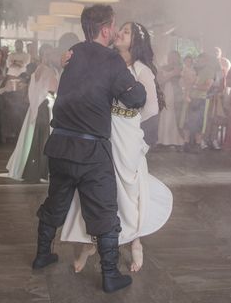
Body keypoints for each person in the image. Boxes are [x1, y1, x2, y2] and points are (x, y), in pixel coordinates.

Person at [32, 4, 146, 294]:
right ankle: (110, 275)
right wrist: (138, 82)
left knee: (55, 205)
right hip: (91, 151)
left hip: (59, 146)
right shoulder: (112, 60)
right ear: (106, 29)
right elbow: (135, 100)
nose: (116, 32)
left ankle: (42, 255)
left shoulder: (73, 53)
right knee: (105, 213)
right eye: (114, 26)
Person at [61, 21, 172, 276]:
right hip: (104, 128)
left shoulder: (142, 70)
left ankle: (135, 240)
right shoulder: (106, 61)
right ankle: (92, 243)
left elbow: (152, 107)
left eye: (126, 32)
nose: (119, 33)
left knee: (128, 189)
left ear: (136, 41)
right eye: (119, 29)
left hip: (128, 134)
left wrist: (129, 119)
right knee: (96, 185)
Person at [6, 44, 58, 182]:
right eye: (49, 54)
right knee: (43, 138)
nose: (51, 57)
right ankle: (41, 171)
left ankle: (36, 169)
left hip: (38, 106)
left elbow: (33, 90)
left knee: (35, 137)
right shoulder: (47, 70)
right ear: (44, 55)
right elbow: (51, 89)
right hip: (45, 107)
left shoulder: (39, 69)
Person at [157, 50, 184, 148]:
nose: (171, 59)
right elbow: (159, 81)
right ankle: (161, 139)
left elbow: (182, 81)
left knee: (172, 114)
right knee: (163, 114)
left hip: (175, 94)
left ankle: (172, 139)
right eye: (170, 57)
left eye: (174, 57)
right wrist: (170, 75)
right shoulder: (162, 68)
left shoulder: (180, 68)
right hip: (164, 92)